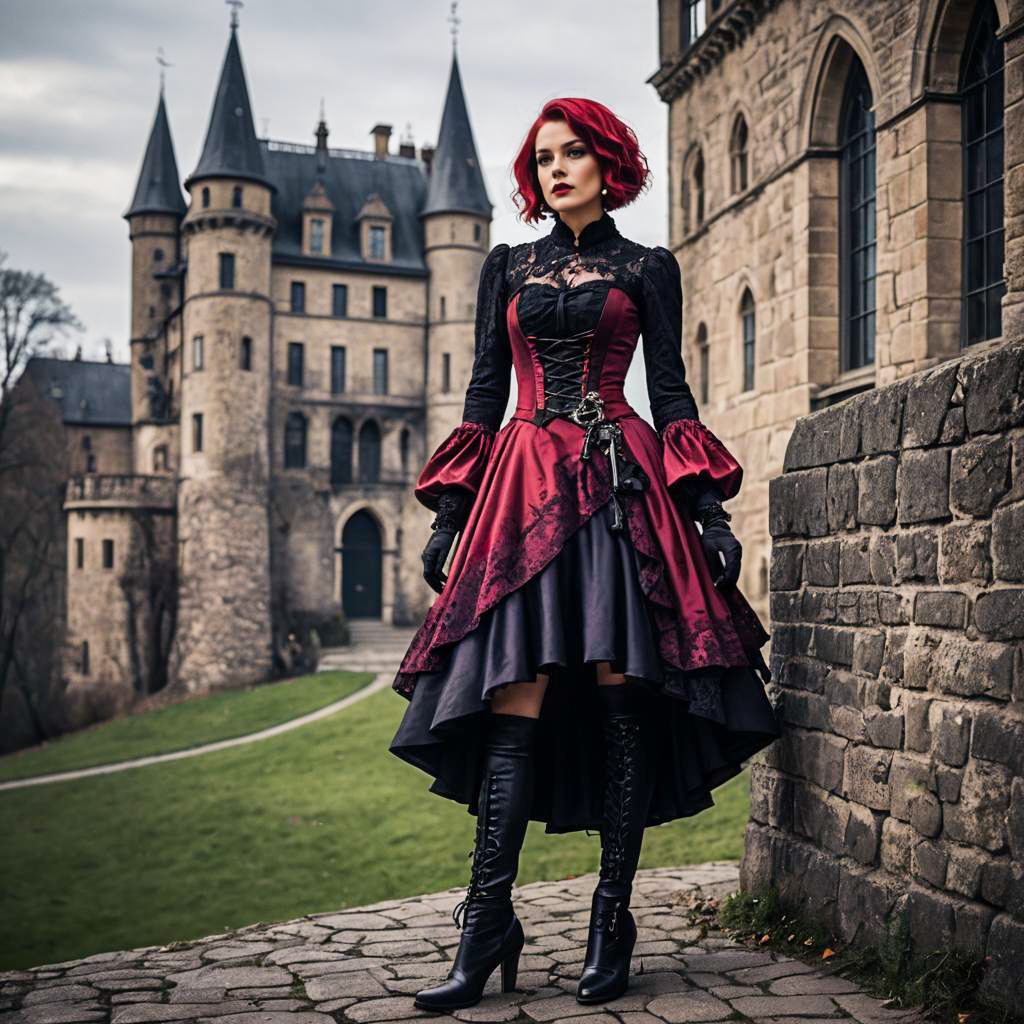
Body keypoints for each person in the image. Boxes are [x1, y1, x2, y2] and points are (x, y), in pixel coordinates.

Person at [388, 97, 781, 1012]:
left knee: (619, 697)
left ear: (607, 163)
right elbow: (487, 391)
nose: (555, 168)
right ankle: (487, 923)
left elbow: (673, 395)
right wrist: (450, 512)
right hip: (521, 487)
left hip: (618, 488)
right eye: (542, 157)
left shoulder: (647, 268)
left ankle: (614, 917)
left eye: (572, 153)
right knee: (509, 699)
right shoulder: (507, 266)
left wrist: (708, 513)